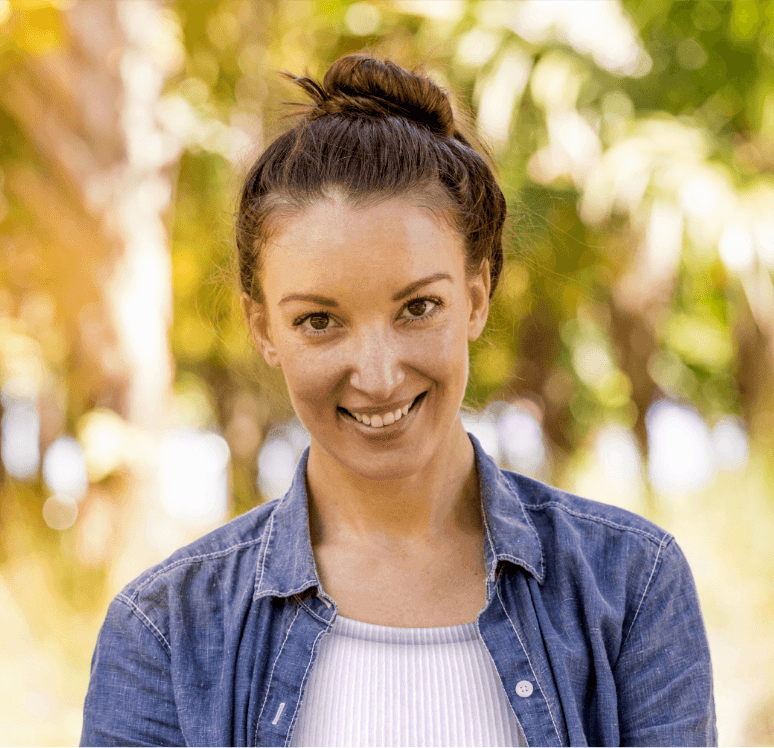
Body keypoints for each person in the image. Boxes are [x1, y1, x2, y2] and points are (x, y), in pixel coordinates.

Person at [81, 54, 716, 748]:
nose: (379, 376)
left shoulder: (630, 587)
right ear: (263, 328)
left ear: (475, 297)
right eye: (319, 321)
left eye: (418, 307)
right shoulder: (165, 631)